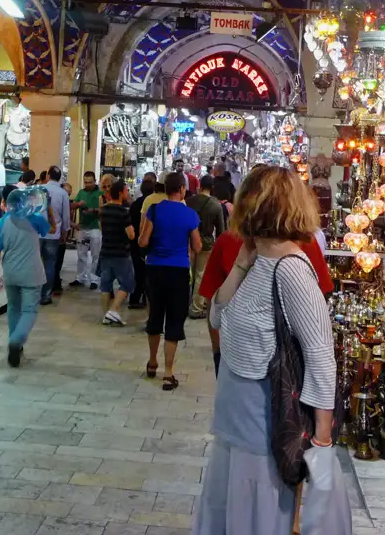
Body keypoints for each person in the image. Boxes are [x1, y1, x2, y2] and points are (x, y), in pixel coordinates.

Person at [192, 166, 342, 534]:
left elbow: (321, 355)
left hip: (264, 427)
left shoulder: (292, 269)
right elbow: (216, 316)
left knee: (256, 518)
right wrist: (242, 262)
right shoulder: (258, 261)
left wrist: (321, 440)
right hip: (234, 421)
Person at [199, 229, 334, 374]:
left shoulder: (304, 243)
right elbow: (213, 308)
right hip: (239, 364)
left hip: (284, 369)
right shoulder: (229, 240)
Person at [138, 172, 200, 391]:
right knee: (174, 319)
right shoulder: (190, 215)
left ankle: (152, 361)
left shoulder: (154, 210)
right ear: (182, 189)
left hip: (155, 269)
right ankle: (168, 373)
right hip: (178, 271)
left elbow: (143, 240)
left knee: (155, 315)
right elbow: (198, 246)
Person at [0, 188, 49, 366]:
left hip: (11, 273)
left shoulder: (0, 223)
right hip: (32, 273)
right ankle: (16, 341)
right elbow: (49, 229)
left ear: (6, 202)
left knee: (13, 308)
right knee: (29, 310)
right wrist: (47, 208)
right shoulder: (35, 218)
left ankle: (16, 346)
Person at [186, 174, 225, 319]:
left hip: (189, 242)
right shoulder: (216, 205)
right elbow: (221, 230)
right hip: (206, 244)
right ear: (212, 187)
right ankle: (196, 307)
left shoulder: (189, 202)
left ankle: (183, 303)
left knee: (187, 274)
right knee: (200, 275)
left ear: (200, 186)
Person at [98, 179, 135, 326]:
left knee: (105, 284)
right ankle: (113, 311)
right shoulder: (123, 212)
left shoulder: (104, 210)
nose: (128, 193)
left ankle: (106, 315)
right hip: (121, 253)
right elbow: (131, 235)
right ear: (120, 193)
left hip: (105, 250)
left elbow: (101, 228)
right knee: (128, 283)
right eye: (126, 191)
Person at [40, 166, 71, 305]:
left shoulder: (39, 189)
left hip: (38, 232)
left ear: (47, 175)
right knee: (50, 264)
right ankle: (46, 295)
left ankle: (32, 294)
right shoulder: (63, 193)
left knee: (35, 263)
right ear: (59, 178)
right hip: (53, 234)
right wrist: (65, 232)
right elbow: (65, 215)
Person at [128, 173, 156, 309]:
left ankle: (135, 297)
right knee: (147, 273)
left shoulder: (135, 205)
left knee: (138, 273)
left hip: (135, 242)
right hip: (149, 242)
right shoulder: (155, 205)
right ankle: (143, 297)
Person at [71, 171, 102, 290]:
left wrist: (93, 210)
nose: (87, 184)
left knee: (96, 255)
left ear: (95, 181)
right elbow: (72, 206)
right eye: (85, 182)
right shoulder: (81, 192)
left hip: (95, 227)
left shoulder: (100, 193)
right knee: (81, 254)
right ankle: (80, 277)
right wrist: (79, 204)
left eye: (90, 182)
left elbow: (103, 209)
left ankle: (94, 279)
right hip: (83, 227)